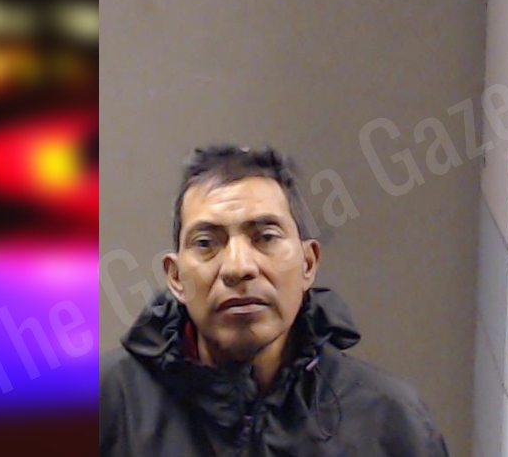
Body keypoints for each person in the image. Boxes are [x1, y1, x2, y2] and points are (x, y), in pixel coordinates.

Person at [99, 145, 450, 456]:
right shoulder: (104, 406)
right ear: (175, 278)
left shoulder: (389, 423)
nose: (238, 267)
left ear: (308, 264)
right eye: (206, 243)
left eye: (265, 237)